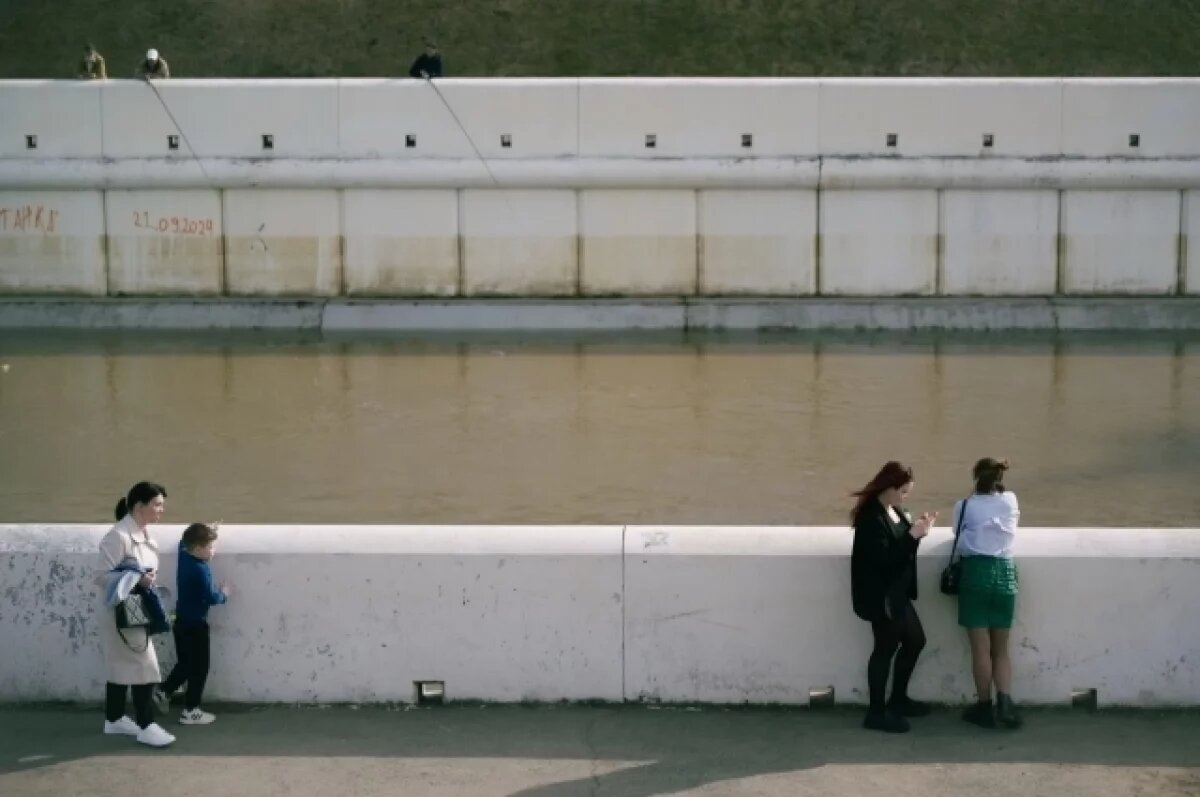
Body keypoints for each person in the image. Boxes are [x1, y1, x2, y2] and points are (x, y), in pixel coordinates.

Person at [850, 461, 938, 733]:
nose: (905, 497)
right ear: (889, 488)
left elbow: (901, 548)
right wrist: (913, 536)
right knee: (884, 650)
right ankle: (876, 713)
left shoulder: (895, 511)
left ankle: (897, 700)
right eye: (903, 492)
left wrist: (919, 530)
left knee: (915, 641)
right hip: (881, 598)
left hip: (898, 595)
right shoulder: (870, 518)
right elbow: (885, 559)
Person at [97, 482, 176, 747]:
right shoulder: (118, 536)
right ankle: (146, 725)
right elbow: (101, 576)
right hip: (123, 614)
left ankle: (115, 719)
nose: (161, 510)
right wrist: (137, 577)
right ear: (139, 506)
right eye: (157, 504)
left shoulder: (142, 534)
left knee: (121, 667)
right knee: (146, 668)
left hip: (138, 612)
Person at [953, 457, 1023, 729]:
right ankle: (1005, 703)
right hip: (1005, 575)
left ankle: (984, 707)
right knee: (1001, 650)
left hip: (974, 575)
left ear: (975, 478)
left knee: (980, 650)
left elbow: (957, 534)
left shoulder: (965, 505)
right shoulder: (1010, 501)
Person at [159, 522, 230, 725]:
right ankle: (191, 710)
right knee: (200, 667)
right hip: (196, 626)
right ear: (198, 549)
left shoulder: (184, 555)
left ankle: (164, 692)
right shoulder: (201, 570)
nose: (212, 550)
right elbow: (210, 597)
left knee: (185, 663)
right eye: (209, 547)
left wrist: (208, 531)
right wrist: (224, 595)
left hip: (180, 621)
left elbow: (184, 541)